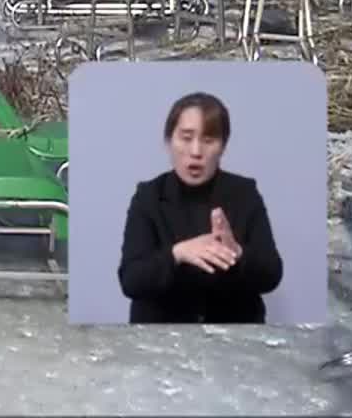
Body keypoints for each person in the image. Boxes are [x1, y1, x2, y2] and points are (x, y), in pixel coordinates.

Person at [118, 92, 283, 324]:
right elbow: (131, 280)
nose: (196, 151)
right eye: (186, 138)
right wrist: (177, 254)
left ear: (223, 146)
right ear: (169, 141)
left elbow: (272, 275)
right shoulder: (148, 197)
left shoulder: (244, 193)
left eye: (208, 140)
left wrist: (238, 252)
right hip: (161, 342)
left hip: (234, 341)